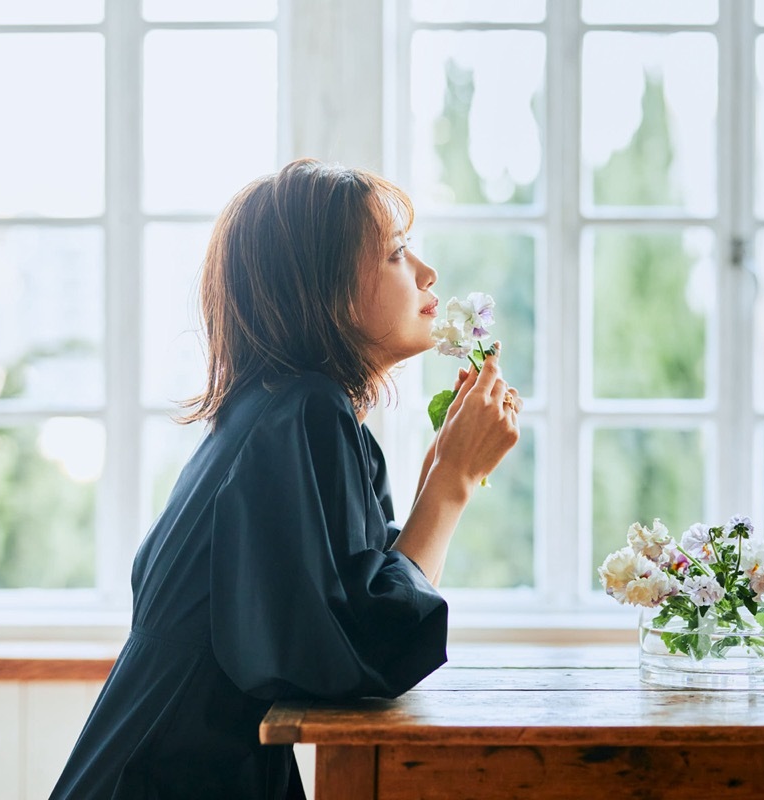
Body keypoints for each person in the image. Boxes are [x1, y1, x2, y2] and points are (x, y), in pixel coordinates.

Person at [51, 159, 521, 799]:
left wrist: (442, 473)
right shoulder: (302, 410)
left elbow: (373, 611)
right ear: (326, 287)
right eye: (396, 253)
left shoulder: (290, 410)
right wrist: (452, 485)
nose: (427, 272)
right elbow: (356, 657)